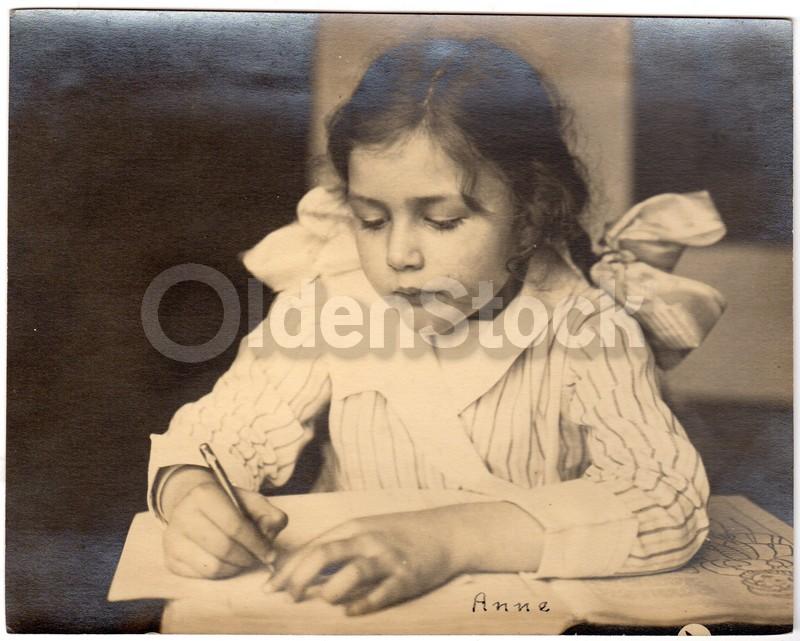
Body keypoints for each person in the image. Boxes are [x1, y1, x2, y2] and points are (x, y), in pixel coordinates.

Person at [147, 37, 720, 616]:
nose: (399, 254)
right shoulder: (329, 308)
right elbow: (217, 436)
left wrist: (442, 540)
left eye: (442, 221)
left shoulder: (584, 325)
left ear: (529, 219)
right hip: (350, 612)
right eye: (371, 220)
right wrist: (191, 490)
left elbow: (666, 500)